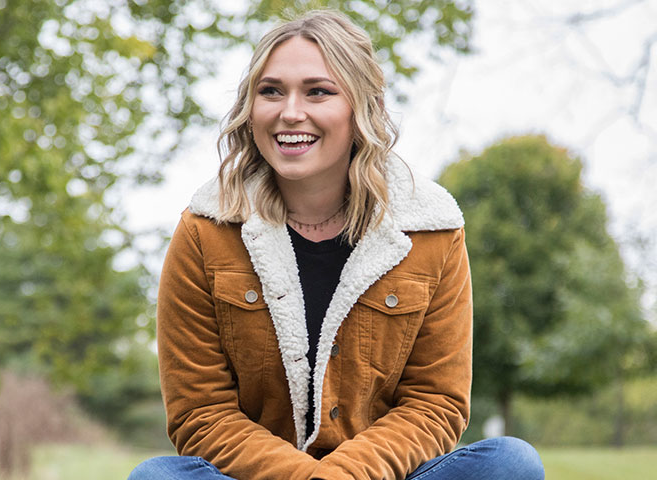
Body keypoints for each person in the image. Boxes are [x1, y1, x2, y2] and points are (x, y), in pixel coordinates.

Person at [129, 9, 544, 480]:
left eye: (318, 91)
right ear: (250, 110)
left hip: (383, 476)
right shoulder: (205, 231)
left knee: (511, 463)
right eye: (270, 91)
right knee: (157, 477)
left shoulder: (433, 232)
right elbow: (200, 415)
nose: (289, 112)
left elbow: (435, 405)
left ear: (362, 107)